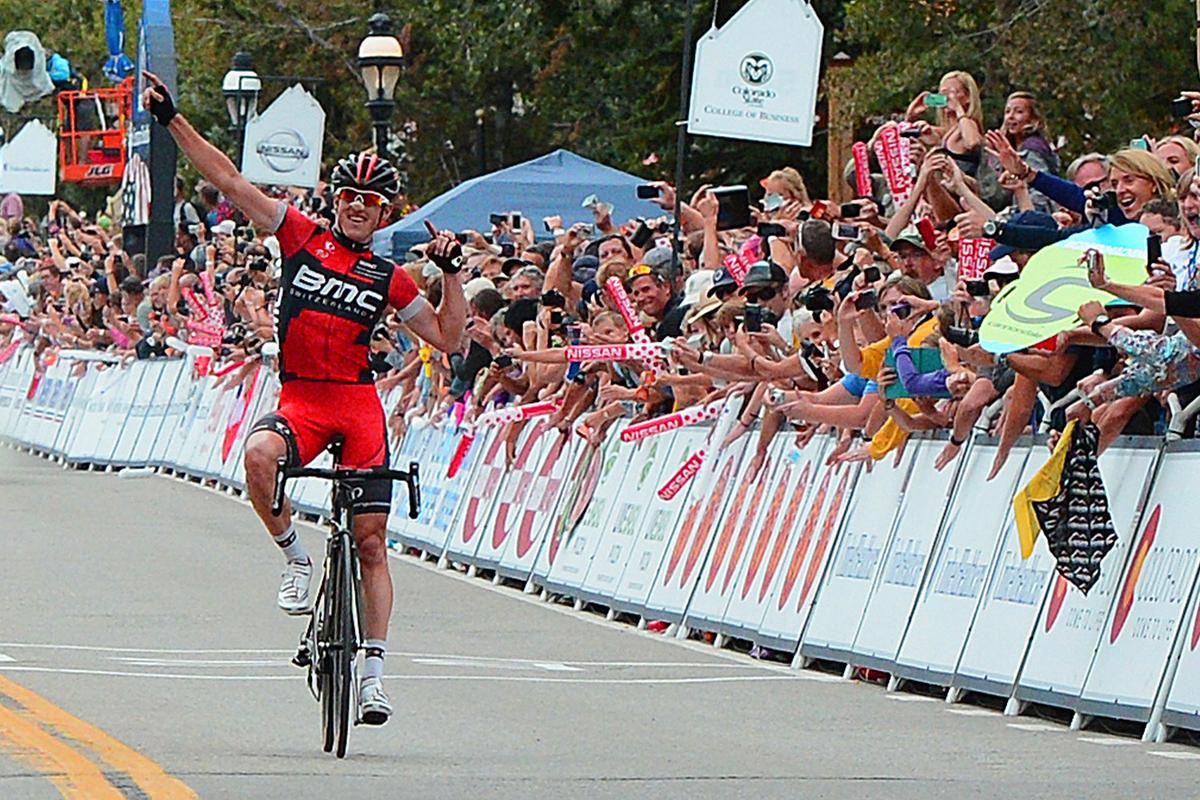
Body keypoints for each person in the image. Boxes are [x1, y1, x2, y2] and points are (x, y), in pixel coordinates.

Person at [142, 71, 467, 726]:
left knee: (372, 544)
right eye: (347, 196)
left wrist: (453, 276)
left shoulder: (389, 275)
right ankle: (294, 556)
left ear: (383, 213)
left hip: (356, 406)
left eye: (368, 202)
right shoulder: (299, 235)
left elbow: (449, 339)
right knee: (259, 456)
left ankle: (373, 672)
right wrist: (171, 120)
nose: (354, 207)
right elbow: (232, 182)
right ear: (336, 200)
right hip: (302, 402)